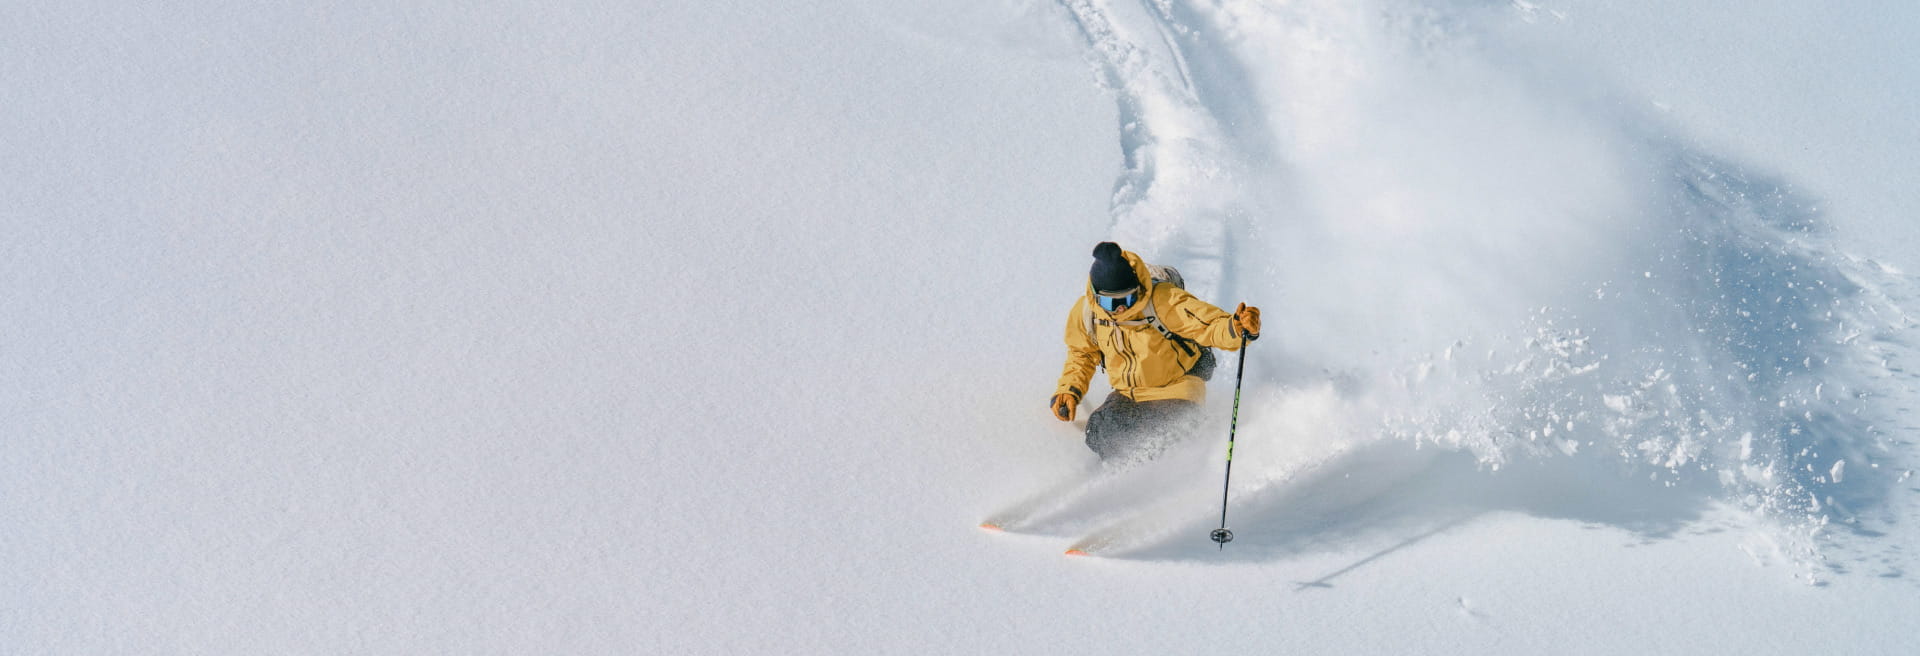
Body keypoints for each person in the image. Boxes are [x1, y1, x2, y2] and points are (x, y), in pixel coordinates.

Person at [1051, 242, 1261, 462]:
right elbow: (1081, 354)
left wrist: (1237, 328)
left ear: (1137, 290)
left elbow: (1207, 325)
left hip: (1177, 389)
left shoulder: (1163, 299)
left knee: (1166, 435)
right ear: (1096, 295)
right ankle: (1127, 479)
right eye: (1110, 302)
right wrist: (1069, 389)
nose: (1120, 308)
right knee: (1100, 431)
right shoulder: (1087, 312)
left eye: (1127, 299)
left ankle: (1184, 464)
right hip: (1129, 395)